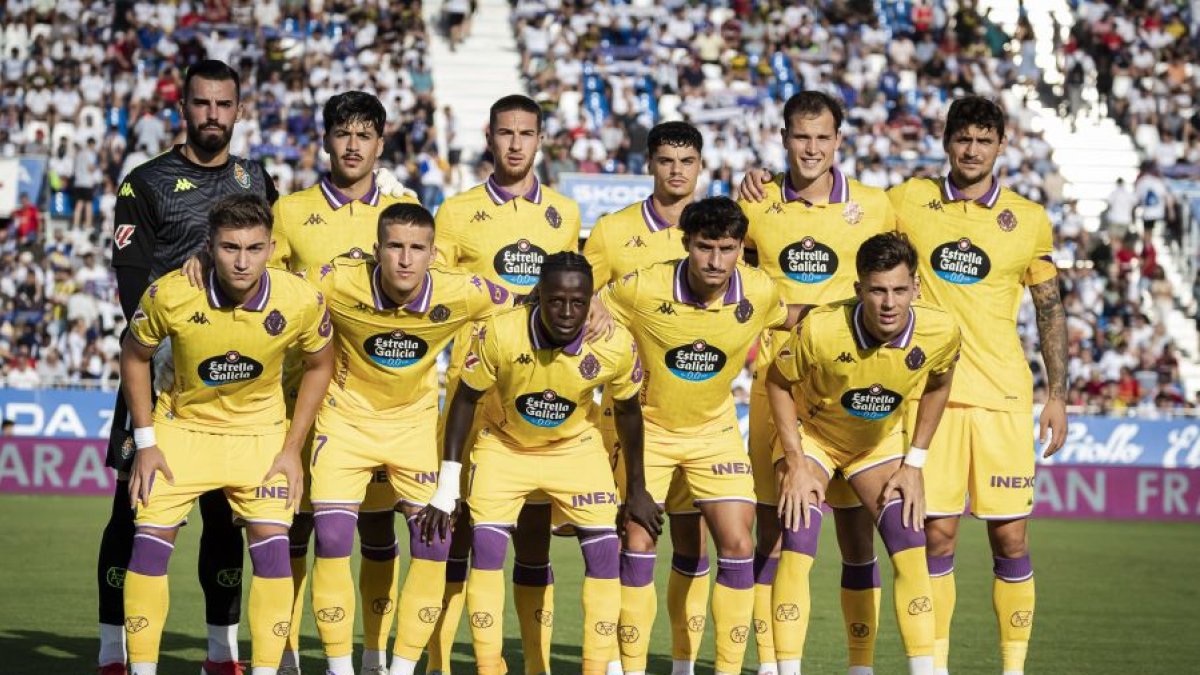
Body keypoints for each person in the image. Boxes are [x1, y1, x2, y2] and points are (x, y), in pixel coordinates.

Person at [101, 59, 278, 675]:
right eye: (201, 104)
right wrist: (168, 347)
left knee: (226, 516)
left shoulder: (255, 177)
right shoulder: (144, 182)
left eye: (223, 105)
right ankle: (111, 652)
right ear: (184, 110)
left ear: (238, 109)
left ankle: (220, 652)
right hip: (159, 376)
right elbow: (130, 289)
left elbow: (273, 269)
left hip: (235, 382)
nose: (212, 115)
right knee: (131, 510)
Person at [885, 96, 1068, 675]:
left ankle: (1012, 669)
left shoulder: (1029, 218)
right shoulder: (909, 200)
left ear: (1001, 146)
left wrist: (1058, 395)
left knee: (1010, 539)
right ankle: (932, 668)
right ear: (946, 141)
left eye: (984, 140)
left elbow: (1050, 310)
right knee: (934, 538)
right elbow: (845, 214)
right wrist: (767, 183)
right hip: (928, 398)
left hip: (1004, 400)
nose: (972, 150)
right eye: (963, 138)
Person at [119, 194, 334, 675]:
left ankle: (261, 669)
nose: (242, 261)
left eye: (255, 248)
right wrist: (147, 444)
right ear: (208, 246)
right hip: (182, 431)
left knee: (273, 546)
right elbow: (133, 356)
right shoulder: (170, 293)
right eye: (230, 248)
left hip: (259, 436)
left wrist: (292, 448)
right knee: (147, 542)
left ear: (271, 247)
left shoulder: (299, 299)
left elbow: (321, 363)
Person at [416, 252, 658, 675]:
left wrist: (636, 488)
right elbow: (465, 401)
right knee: (487, 548)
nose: (567, 312)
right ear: (538, 297)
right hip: (505, 444)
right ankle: (490, 666)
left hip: (574, 448)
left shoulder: (614, 343)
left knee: (604, 553)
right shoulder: (500, 333)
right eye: (556, 300)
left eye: (578, 302)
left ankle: (596, 668)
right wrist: (449, 484)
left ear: (590, 302)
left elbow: (629, 411)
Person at [247, 90, 420, 675]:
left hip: (379, 403)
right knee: (294, 530)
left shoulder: (404, 207)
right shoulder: (292, 211)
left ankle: (372, 654)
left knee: (375, 528)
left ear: (381, 142)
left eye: (364, 134)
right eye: (342, 133)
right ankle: (287, 650)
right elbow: (256, 282)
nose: (352, 145)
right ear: (325, 139)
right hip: (304, 397)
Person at [598, 197, 807, 675]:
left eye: (727, 248)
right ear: (686, 244)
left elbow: (795, 314)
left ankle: (725, 669)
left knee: (737, 542)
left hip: (714, 432)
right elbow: (593, 310)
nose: (716, 261)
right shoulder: (643, 286)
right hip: (648, 431)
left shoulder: (758, 290)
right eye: (705, 247)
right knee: (638, 539)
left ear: (740, 249)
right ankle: (628, 668)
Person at [305, 203, 513, 675]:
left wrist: (597, 307)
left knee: (434, 543)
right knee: (333, 537)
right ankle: (340, 669)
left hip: (415, 429)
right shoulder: (338, 280)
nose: (405, 259)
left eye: (417, 248)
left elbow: (529, 300)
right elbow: (269, 281)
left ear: (432, 254)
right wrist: (199, 257)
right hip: (345, 422)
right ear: (375, 250)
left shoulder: (460, 291)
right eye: (395, 246)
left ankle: (400, 670)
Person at [737, 91, 898, 675]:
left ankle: (860, 666)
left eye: (822, 137)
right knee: (775, 529)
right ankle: (773, 664)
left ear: (839, 141)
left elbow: (904, 287)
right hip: (779, 385)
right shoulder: (754, 205)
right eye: (801, 136)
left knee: (857, 534)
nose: (811, 148)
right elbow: (734, 286)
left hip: (855, 389)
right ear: (784, 138)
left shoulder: (878, 207)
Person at [426, 94, 583, 675]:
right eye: (505, 133)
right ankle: (444, 664)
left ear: (540, 139)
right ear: (489, 137)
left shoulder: (564, 213)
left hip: (539, 397)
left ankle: (535, 664)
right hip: (473, 394)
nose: (516, 144)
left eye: (527, 133)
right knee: (459, 536)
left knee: (535, 544)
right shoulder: (457, 210)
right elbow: (436, 288)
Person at [765, 232, 961, 675]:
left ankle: (917, 670)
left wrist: (915, 462)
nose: (888, 303)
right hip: (814, 437)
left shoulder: (941, 331)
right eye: (877, 290)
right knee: (799, 534)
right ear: (859, 291)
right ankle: (787, 671)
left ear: (916, 288)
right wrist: (795, 462)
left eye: (898, 290)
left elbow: (939, 385)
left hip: (876, 445)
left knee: (911, 537)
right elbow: (777, 382)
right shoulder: (820, 327)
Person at [583, 120, 711, 674]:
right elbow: (582, 306)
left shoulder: (724, 229)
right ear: (651, 165)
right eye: (666, 161)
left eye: (686, 161)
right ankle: (616, 662)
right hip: (631, 415)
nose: (676, 170)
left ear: (699, 166)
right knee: (628, 538)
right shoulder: (612, 232)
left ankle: (682, 662)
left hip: (699, 413)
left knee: (693, 540)